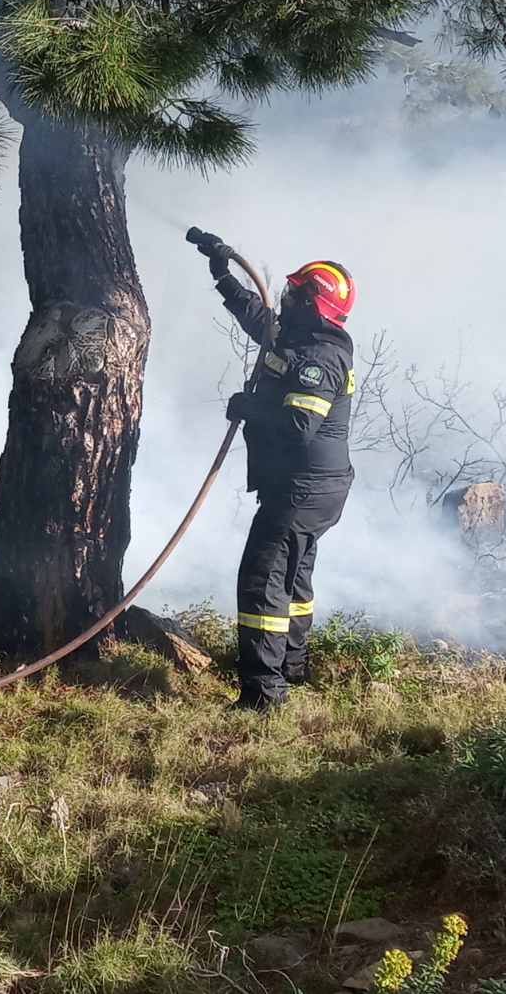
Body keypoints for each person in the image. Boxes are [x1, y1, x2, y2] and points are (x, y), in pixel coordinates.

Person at [191, 231, 357, 710]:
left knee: (263, 581)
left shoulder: (320, 358)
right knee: (294, 581)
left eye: (296, 295)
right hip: (310, 488)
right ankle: (291, 669)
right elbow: (258, 318)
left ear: (313, 304)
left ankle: (263, 696)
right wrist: (223, 273)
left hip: (302, 490)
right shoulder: (299, 336)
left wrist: (249, 407)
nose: (286, 301)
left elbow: (298, 424)